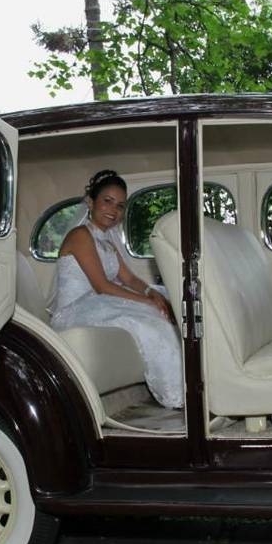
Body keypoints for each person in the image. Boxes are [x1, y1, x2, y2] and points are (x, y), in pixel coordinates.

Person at [49, 170, 184, 409]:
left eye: (120, 206)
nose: (113, 210)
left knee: (167, 301)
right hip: (76, 310)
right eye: (107, 201)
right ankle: (178, 395)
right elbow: (102, 286)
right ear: (91, 202)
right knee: (154, 320)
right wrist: (149, 303)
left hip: (97, 302)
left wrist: (152, 293)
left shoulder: (108, 241)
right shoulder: (80, 235)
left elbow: (129, 278)